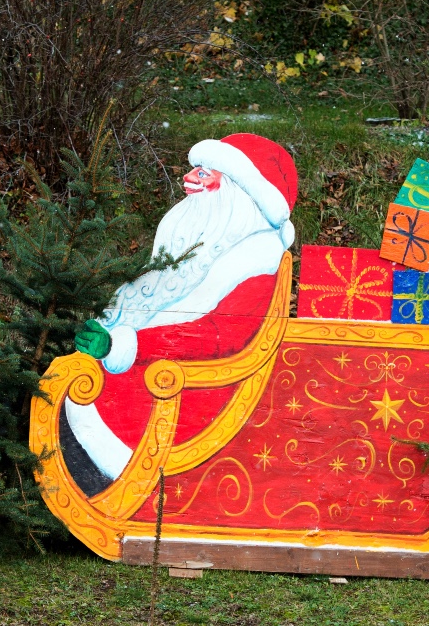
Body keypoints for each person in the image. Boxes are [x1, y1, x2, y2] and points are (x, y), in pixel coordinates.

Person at [64, 133, 298, 493]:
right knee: (78, 378)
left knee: (89, 392)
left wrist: (126, 346)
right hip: (158, 366)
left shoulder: (255, 260)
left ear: (237, 191)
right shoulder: (198, 246)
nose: (188, 180)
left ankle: (119, 494)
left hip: (192, 389)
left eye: (204, 174)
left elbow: (219, 336)